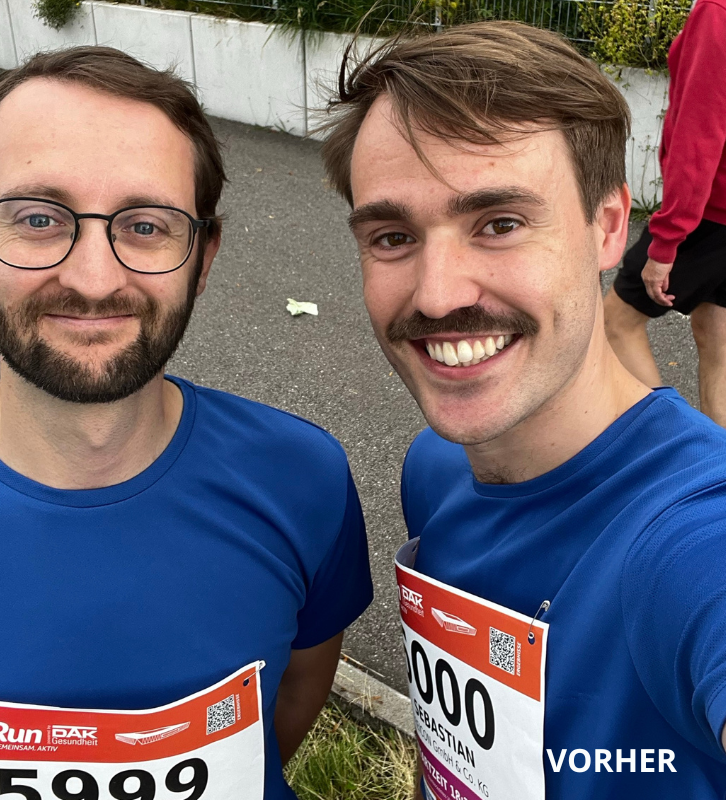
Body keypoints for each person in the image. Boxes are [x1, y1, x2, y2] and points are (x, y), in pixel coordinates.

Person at [0, 46, 372, 800]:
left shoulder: (303, 481)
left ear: (202, 257)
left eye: (146, 225)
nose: (94, 278)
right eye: (37, 218)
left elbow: (292, 699)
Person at [321, 21, 726, 800]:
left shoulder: (689, 539)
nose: (438, 293)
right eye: (394, 235)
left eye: (499, 223)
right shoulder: (436, 471)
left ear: (609, 226)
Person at [603, 0, 726, 426]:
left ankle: (674, 447)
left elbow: (700, 132)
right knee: (716, 338)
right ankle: (718, 467)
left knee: (615, 325)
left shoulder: (718, 12)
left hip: (709, 216)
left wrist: (668, 239)